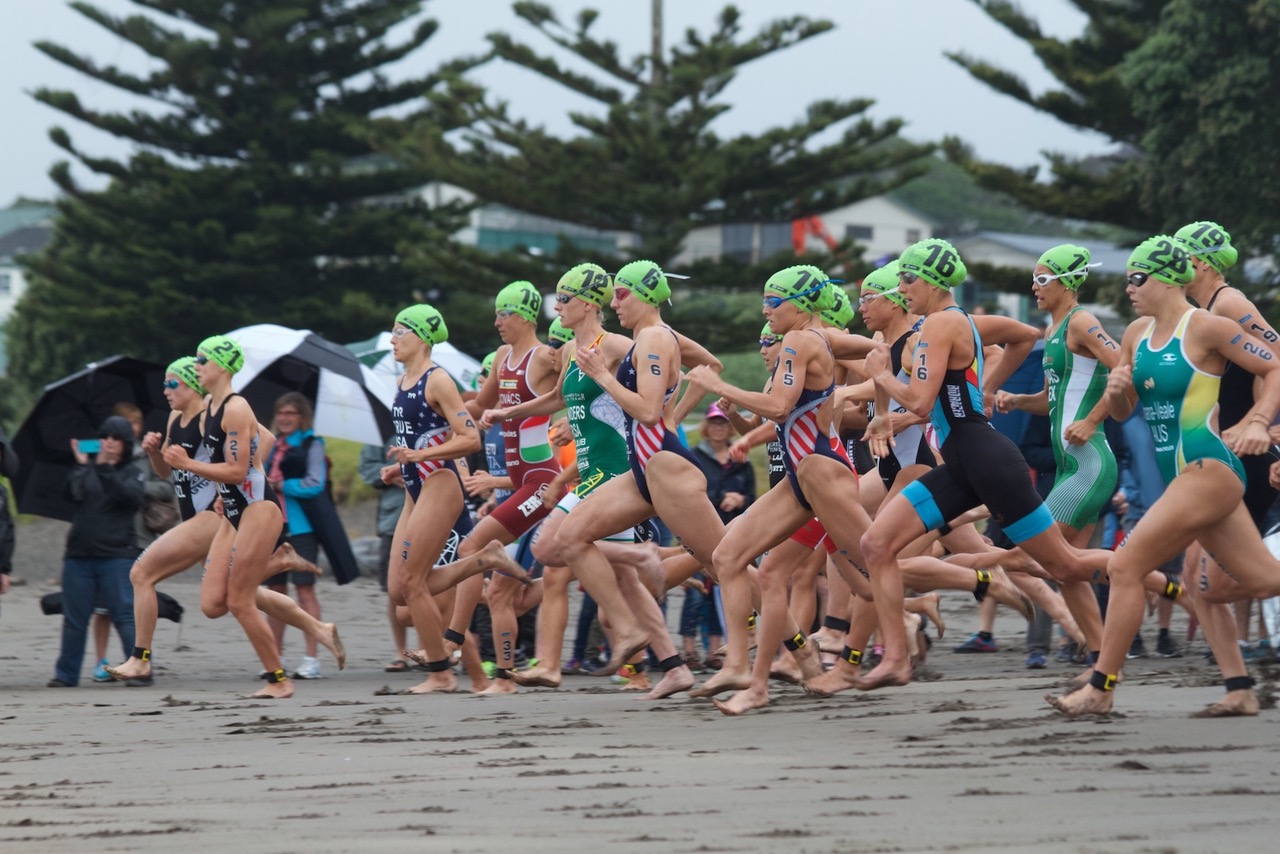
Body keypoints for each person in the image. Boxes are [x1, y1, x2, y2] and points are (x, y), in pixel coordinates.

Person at [857, 239, 1114, 691]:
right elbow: (938, 396)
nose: (901, 288)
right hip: (961, 466)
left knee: (1065, 566)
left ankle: (1139, 569)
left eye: (907, 278)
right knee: (877, 544)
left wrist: (879, 375)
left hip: (988, 462)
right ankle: (895, 658)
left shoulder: (943, 323)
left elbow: (919, 401)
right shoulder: (950, 323)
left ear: (932, 280)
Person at [1048, 235, 1280, 716]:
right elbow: (1125, 409)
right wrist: (1116, 392)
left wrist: (1259, 421)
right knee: (1255, 582)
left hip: (1209, 467)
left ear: (1169, 278)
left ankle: (1101, 688)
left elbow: (1274, 365)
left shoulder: (1208, 327)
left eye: (1137, 277)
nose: (1129, 287)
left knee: (1125, 566)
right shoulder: (1135, 333)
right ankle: (1240, 689)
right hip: (1182, 477)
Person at [106, 357, 343, 686]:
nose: (165, 390)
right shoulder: (176, 418)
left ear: (191, 384)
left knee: (142, 573)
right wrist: (155, 454)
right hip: (195, 517)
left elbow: (267, 441)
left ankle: (140, 659)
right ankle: (317, 627)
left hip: (212, 519)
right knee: (224, 599)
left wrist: (231, 486)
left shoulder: (214, 412)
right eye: (164, 383)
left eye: (172, 383)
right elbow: (169, 472)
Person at [556, 259, 726, 695]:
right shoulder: (649, 337)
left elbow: (649, 410)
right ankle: (662, 657)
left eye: (621, 294)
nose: (614, 303)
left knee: (725, 563)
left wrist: (605, 379)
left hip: (664, 466)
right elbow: (709, 366)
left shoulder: (650, 337)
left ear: (644, 294)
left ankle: (795, 648)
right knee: (570, 538)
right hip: (642, 470)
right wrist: (675, 412)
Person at [383, 303, 529, 694]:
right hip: (417, 487)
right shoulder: (401, 383)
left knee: (416, 587)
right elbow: (422, 439)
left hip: (441, 485)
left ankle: (442, 675)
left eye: (400, 332)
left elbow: (469, 438)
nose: (392, 339)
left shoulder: (438, 380)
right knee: (400, 591)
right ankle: (483, 560)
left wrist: (419, 457)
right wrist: (404, 466)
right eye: (393, 331)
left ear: (421, 338)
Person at [994, 245, 1118, 668]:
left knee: (1036, 556)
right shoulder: (1052, 332)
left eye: (1043, 279)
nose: (1034, 287)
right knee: (1067, 571)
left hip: (1089, 462)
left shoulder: (1082, 321)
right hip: (1069, 465)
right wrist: (1018, 401)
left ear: (1067, 282)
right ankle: (1101, 655)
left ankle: (1144, 572)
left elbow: (1125, 367)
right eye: (1034, 278)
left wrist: (1093, 420)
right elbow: (1052, 401)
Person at [48, 416, 144, 687]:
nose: (109, 443)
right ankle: (66, 675)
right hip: (79, 555)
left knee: (124, 614)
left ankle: (138, 669)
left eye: (115, 438)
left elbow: (131, 497)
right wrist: (80, 466)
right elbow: (70, 494)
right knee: (74, 618)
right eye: (105, 437)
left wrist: (105, 470)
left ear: (125, 444)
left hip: (116, 555)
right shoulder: (87, 469)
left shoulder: (132, 471)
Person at [262, 392, 328, 679]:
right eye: (281, 413)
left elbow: (315, 483)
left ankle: (311, 658)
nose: (284, 418)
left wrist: (281, 485)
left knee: (304, 590)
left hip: (301, 528)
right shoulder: (271, 445)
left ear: (302, 417)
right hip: (273, 526)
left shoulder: (314, 444)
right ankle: (274, 657)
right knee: (274, 593)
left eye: (290, 414)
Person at [359, 438, 412, 672]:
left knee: (434, 586)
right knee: (393, 590)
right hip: (392, 520)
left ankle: (431, 650)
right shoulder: (378, 433)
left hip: (431, 515)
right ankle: (401, 652)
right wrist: (391, 474)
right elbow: (367, 469)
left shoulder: (431, 424)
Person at [692, 405, 755, 525]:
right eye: (713, 423)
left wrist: (741, 501)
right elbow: (690, 495)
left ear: (730, 427)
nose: (718, 428)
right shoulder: (695, 457)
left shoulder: (741, 458)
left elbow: (751, 497)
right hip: (704, 524)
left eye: (723, 423)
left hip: (737, 526)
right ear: (706, 427)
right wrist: (722, 497)